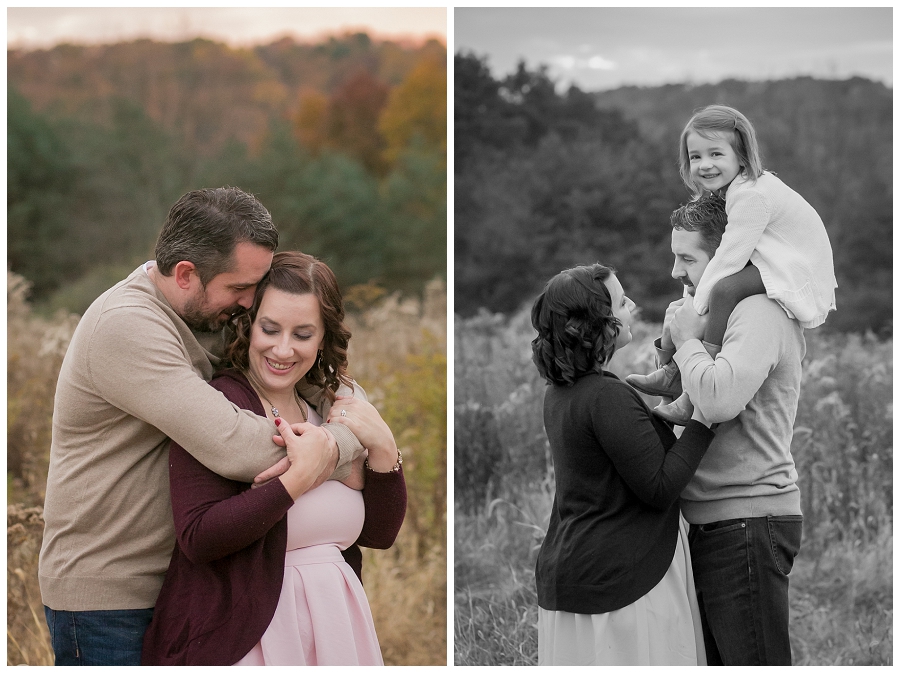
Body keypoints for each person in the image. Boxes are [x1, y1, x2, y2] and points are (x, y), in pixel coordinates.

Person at [39, 188, 368, 666]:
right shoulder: (127, 326)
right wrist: (344, 447)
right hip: (108, 595)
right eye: (240, 288)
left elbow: (308, 376)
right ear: (187, 274)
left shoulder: (208, 311)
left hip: (181, 586)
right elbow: (238, 447)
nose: (250, 301)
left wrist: (355, 413)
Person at [141, 251, 405, 665]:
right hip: (249, 637)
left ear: (323, 340)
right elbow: (199, 536)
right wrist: (297, 481)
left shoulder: (328, 407)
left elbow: (378, 534)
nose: (283, 349)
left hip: (334, 628)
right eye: (270, 329)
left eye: (302, 334)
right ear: (247, 324)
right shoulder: (221, 404)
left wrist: (385, 448)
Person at [531, 263, 715, 666]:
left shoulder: (562, 393)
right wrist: (707, 416)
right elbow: (660, 486)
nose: (632, 305)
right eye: (620, 300)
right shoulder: (604, 395)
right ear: (596, 321)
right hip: (620, 585)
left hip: (579, 574)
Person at [655, 195, 806, 665]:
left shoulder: (758, 312)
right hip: (711, 520)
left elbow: (717, 400)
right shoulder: (713, 315)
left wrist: (685, 342)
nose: (676, 272)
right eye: (674, 256)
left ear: (726, 257)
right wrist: (669, 349)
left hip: (748, 520)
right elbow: (681, 400)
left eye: (687, 258)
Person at [627, 104, 836, 424]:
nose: (704, 164)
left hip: (796, 268)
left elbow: (726, 261)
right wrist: (678, 330)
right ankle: (673, 375)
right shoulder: (727, 191)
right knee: (706, 288)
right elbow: (704, 252)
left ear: (741, 155)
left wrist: (693, 319)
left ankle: (687, 395)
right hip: (772, 256)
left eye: (715, 154)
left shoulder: (752, 195)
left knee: (723, 290)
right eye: (695, 156)